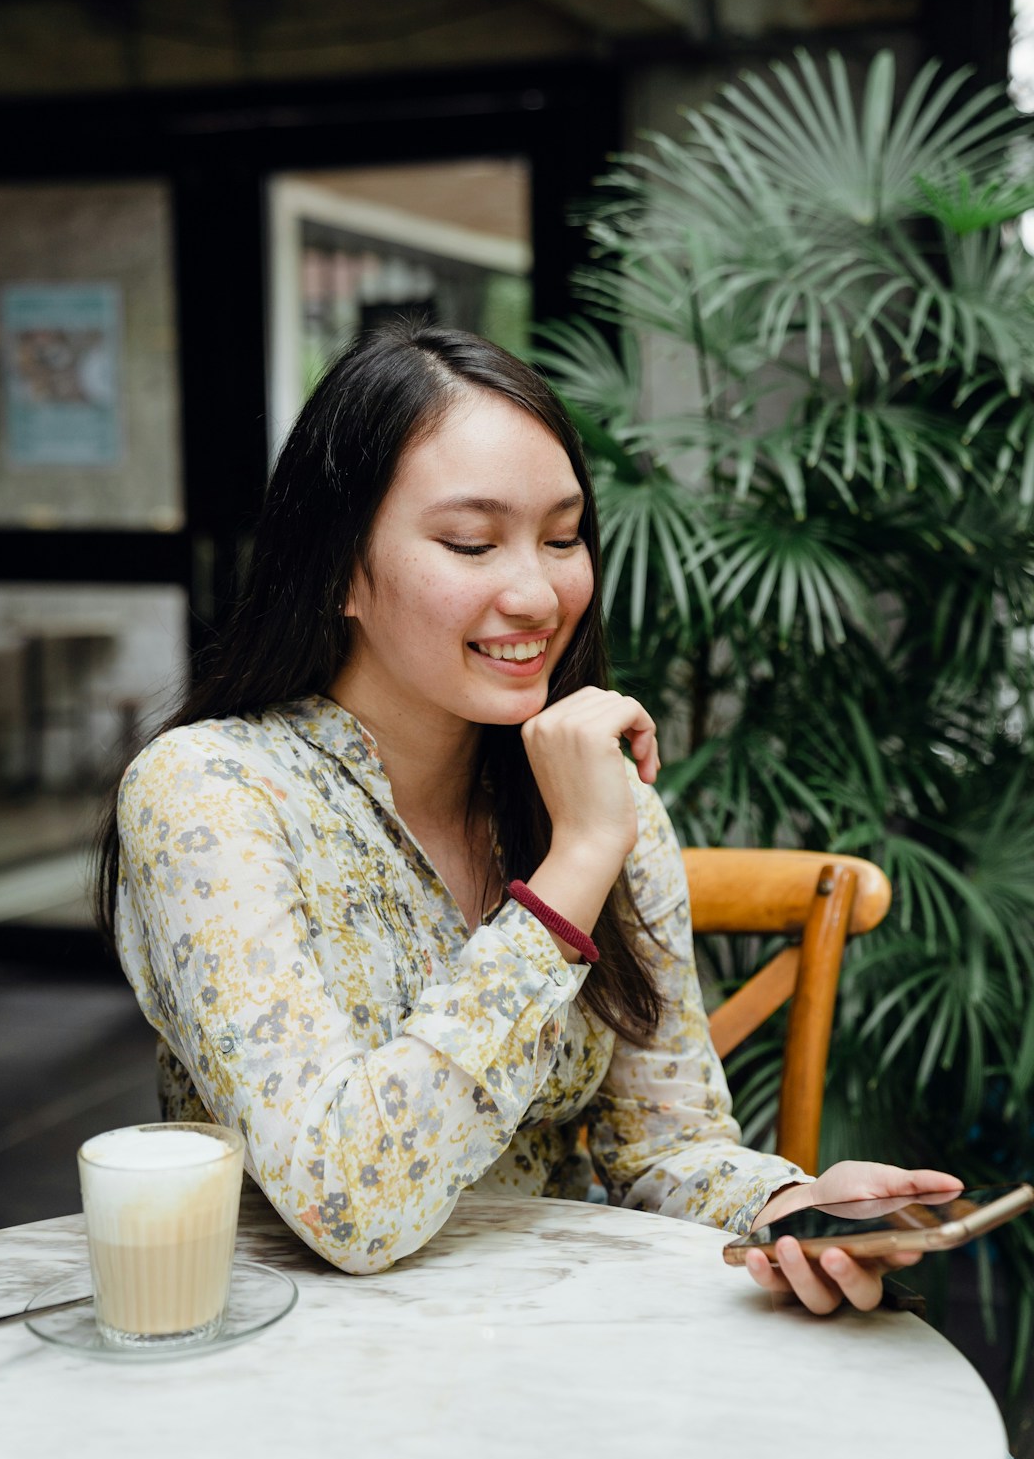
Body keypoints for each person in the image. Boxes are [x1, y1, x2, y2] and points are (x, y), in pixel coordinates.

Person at [97, 321, 959, 1315]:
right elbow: (352, 1204)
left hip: (555, 1347)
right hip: (300, 1370)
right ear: (336, 570)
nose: (538, 592)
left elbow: (664, 1146)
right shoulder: (210, 793)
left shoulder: (590, 790)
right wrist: (574, 867)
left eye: (561, 537)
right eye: (471, 542)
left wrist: (789, 1208)